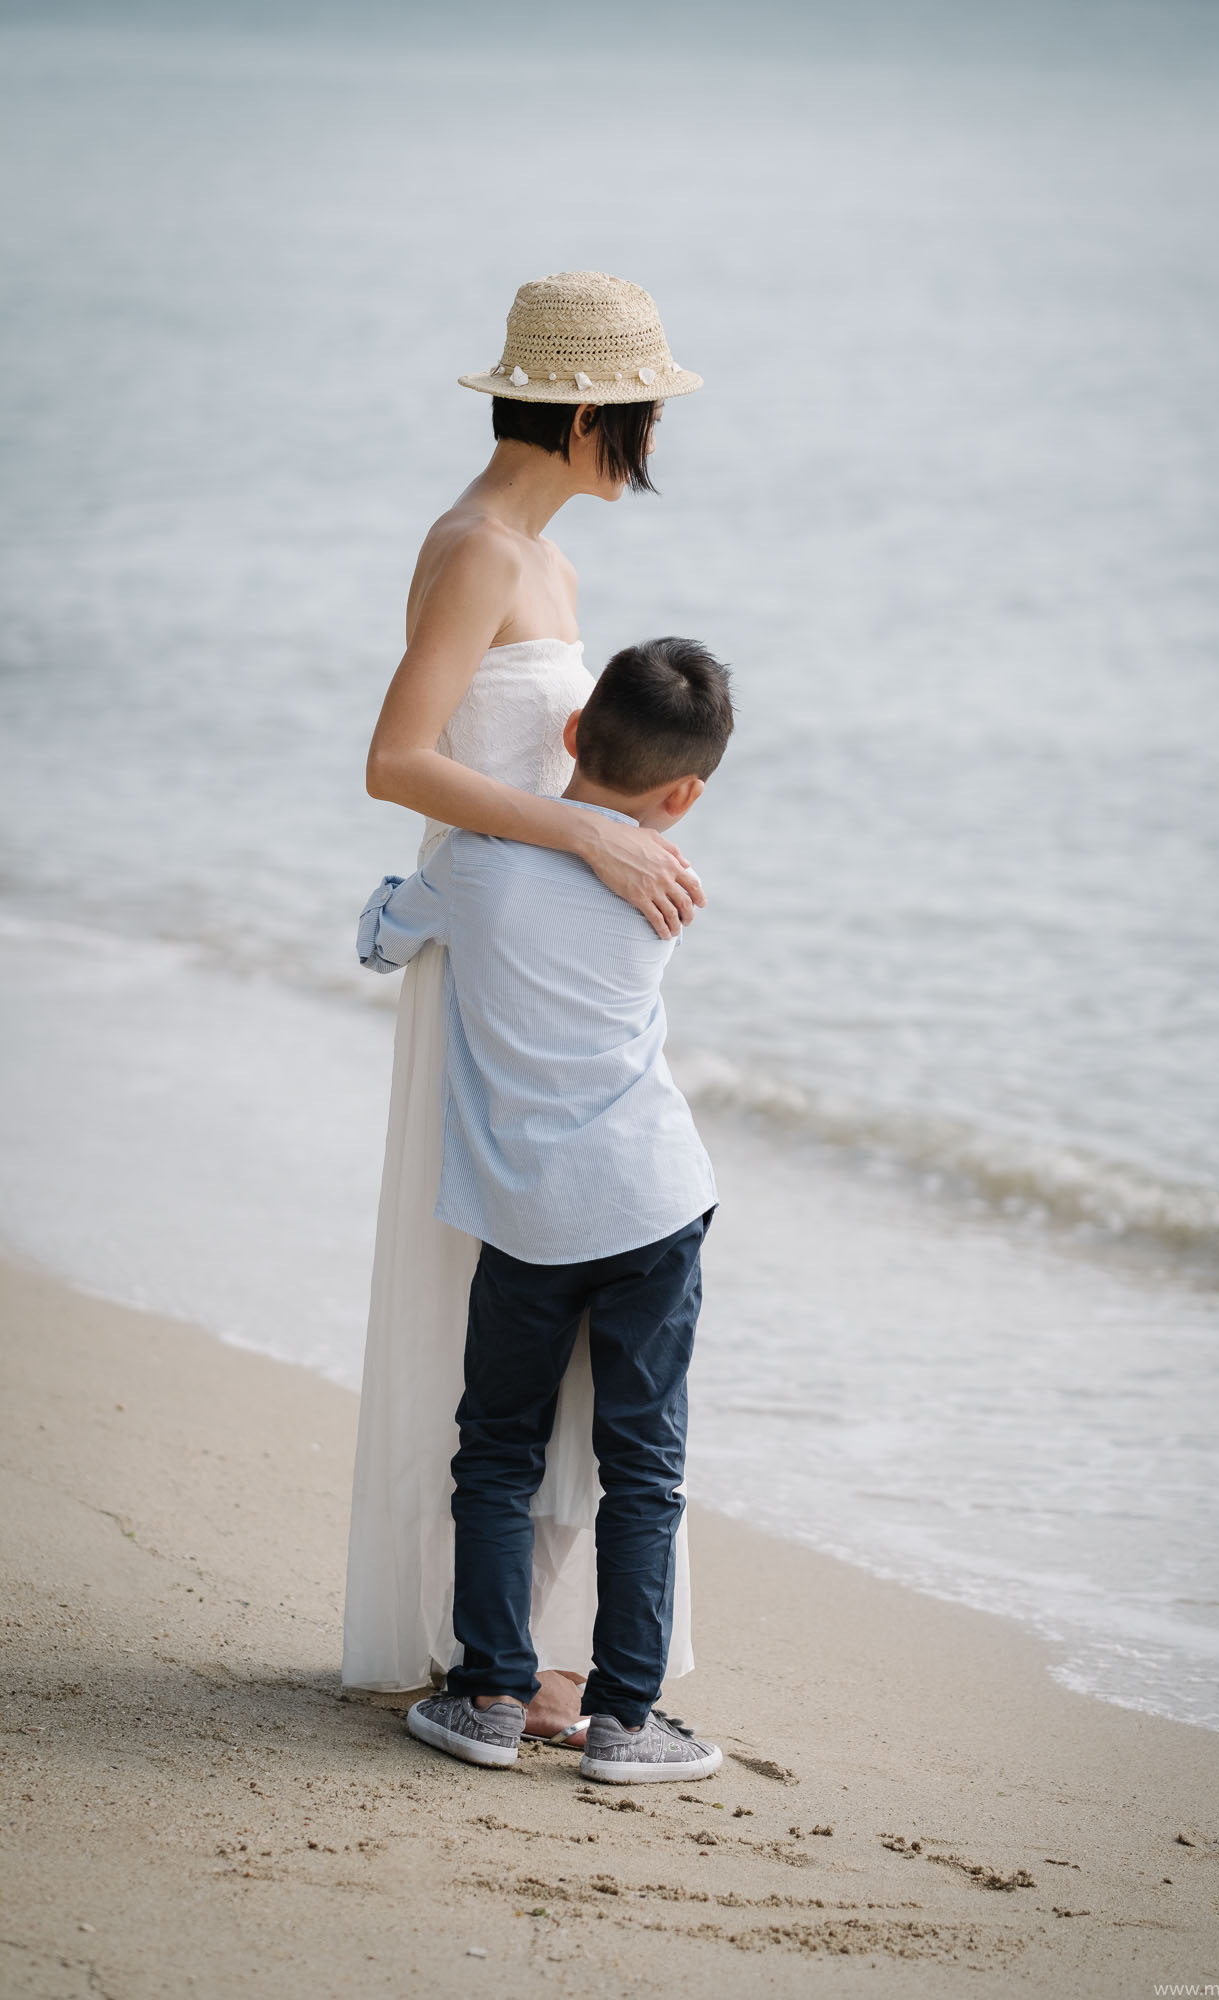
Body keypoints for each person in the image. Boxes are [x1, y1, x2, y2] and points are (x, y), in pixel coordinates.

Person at [344, 273, 706, 1744]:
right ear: (578, 414)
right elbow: (397, 762)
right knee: (489, 1316)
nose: (647, 446)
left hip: (518, 951)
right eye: (635, 419)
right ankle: (475, 1648)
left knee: (533, 1334)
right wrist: (590, 838)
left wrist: (607, 836)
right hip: (480, 973)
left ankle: (517, 1651)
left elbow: (548, 761)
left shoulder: (536, 553)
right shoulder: (479, 548)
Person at [356, 639, 732, 1782]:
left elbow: (381, 936)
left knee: (498, 1450)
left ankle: (487, 1690)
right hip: (654, 1204)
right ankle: (624, 1718)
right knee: (643, 1466)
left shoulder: (474, 866)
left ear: (570, 733)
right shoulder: (667, 875)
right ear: (684, 796)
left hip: (527, 1217)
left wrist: (392, 906)